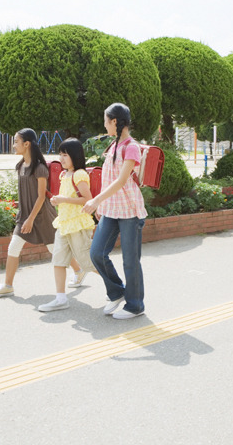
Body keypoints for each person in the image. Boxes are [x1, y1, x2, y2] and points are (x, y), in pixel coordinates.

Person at [83, 103, 147, 320]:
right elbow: (107, 179)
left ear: (115, 122)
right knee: (96, 253)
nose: (104, 124)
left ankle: (135, 305)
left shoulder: (131, 147)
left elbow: (120, 181)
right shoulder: (113, 145)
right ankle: (117, 292)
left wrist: (96, 200)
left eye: (106, 120)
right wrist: (102, 206)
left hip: (129, 210)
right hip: (111, 210)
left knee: (130, 260)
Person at [0, 128, 59, 299]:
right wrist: (24, 217)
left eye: (16, 141)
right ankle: (7, 286)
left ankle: (79, 270)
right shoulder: (20, 166)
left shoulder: (39, 168)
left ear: (26, 144)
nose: (13, 145)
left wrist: (31, 219)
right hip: (25, 217)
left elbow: (41, 197)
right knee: (13, 247)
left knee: (55, 249)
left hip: (42, 216)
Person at [38, 138, 97, 312]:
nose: (61, 159)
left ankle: (117, 286)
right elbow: (69, 198)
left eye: (65, 155)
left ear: (75, 156)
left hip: (78, 225)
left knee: (87, 263)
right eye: (60, 154)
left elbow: (88, 200)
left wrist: (63, 199)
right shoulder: (64, 174)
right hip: (64, 224)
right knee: (58, 261)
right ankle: (60, 298)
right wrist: (59, 200)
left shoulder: (79, 174)